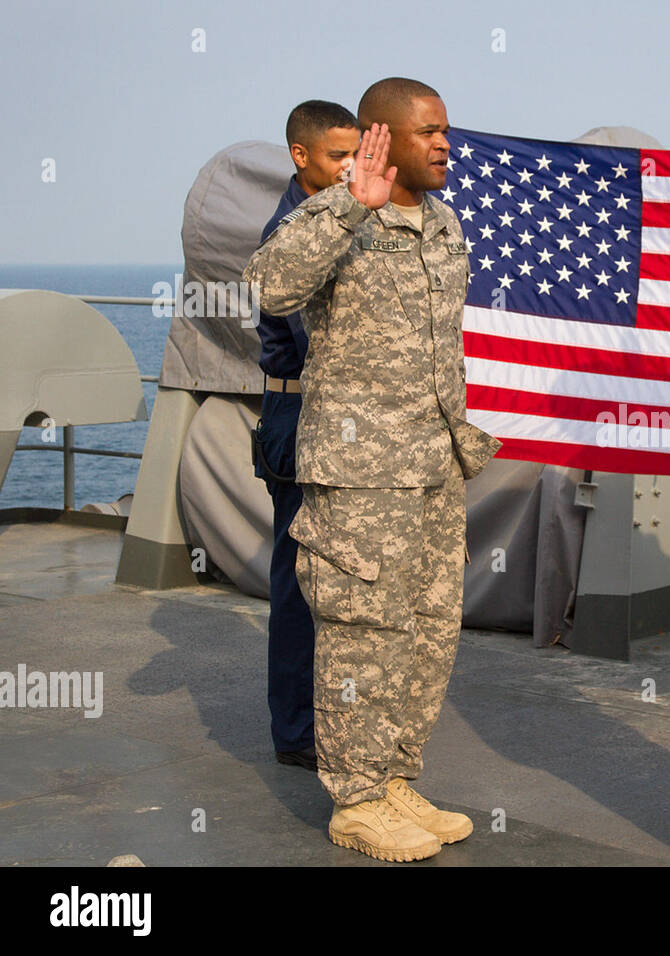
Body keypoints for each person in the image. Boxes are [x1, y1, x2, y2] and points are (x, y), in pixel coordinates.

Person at [244, 77, 501, 861]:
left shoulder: (445, 221)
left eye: (447, 131)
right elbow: (271, 283)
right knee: (362, 635)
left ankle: (393, 782)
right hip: (359, 476)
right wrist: (350, 201)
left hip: (432, 466)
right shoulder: (339, 213)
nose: (444, 145)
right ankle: (355, 801)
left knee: (426, 633)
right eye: (428, 132)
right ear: (382, 134)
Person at [252, 100, 360, 773]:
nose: (350, 167)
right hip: (301, 418)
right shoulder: (292, 232)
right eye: (336, 156)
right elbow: (318, 342)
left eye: (356, 154)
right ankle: (295, 731)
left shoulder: (337, 218)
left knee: (332, 581)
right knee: (298, 582)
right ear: (300, 155)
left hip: (330, 417)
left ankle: (325, 716)